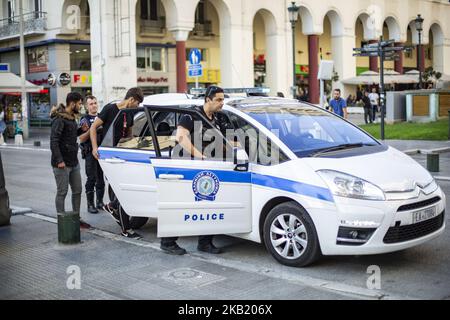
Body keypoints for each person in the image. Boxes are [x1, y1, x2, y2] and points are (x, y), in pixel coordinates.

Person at [159, 85, 226, 256]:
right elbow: (181, 137)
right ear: (207, 100)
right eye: (218, 99)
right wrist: (199, 156)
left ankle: (205, 243)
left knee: (208, 203)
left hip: (205, 168)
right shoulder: (191, 115)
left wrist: (235, 147)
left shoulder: (216, 119)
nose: (222, 103)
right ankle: (168, 242)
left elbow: (219, 141)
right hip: (185, 166)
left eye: (223, 99)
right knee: (181, 204)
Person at [90, 87, 144, 239]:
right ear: (131, 99)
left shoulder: (130, 114)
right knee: (120, 193)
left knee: (121, 191)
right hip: (109, 155)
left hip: (123, 155)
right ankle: (125, 228)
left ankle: (112, 206)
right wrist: (95, 148)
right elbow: (94, 127)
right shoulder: (110, 109)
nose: (137, 107)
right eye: (137, 103)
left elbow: (130, 135)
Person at [50, 92, 90, 229]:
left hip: (74, 162)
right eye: (79, 103)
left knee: (77, 190)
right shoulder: (59, 119)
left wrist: (80, 130)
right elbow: (54, 142)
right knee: (62, 191)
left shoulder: (71, 118)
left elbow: (69, 135)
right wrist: (59, 160)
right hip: (62, 163)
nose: (80, 106)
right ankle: (61, 220)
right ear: (72, 103)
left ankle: (75, 219)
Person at [78, 95, 105, 214]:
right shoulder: (84, 120)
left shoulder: (102, 117)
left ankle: (100, 202)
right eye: (91, 104)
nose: (94, 105)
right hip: (89, 152)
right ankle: (90, 204)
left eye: (95, 103)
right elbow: (82, 138)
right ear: (86, 106)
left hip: (102, 152)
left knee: (101, 179)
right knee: (91, 178)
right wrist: (93, 128)